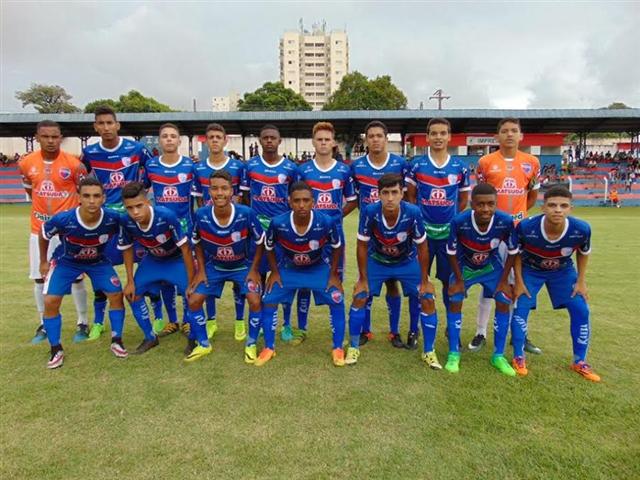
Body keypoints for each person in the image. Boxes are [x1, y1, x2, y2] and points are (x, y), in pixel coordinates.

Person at [345, 174, 440, 368]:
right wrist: (362, 278)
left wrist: (425, 279)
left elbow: (422, 247)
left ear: (402, 193)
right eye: (385, 193)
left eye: (394, 193)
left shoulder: (413, 212)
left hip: (406, 262)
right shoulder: (370, 212)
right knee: (360, 295)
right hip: (378, 261)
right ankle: (353, 347)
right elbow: (361, 245)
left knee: (427, 296)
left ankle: (429, 351)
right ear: (378, 194)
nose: (390, 198)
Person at [81, 106, 156, 340]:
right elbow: (84, 182)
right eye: (100, 123)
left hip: (133, 220)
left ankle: (159, 315)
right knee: (99, 268)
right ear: (95, 127)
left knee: (147, 266)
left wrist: (139, 195)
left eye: (109, 123)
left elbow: (152, 172)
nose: (105, 128)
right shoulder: (90, 153)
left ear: (117, 125)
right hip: (106, 222)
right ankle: (97, 321)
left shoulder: (137, 149)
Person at [510, 186, 599, 381]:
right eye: (552, 205)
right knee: (520, 306)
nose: (557, 210)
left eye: (563, 206)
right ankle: (518, 357)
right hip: (531, 269)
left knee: (581, 309)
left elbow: (583, 253)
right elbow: (515, 253)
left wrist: (581, 282)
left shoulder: (581, 229)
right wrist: (518, 281)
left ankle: (579, 361)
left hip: (562, 271)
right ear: (543, 207)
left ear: (570, 208)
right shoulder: (526, 227)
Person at [38, 177, 127, 369]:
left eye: (96, 196)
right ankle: (56, 348)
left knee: (116, 295)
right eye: (86, 196)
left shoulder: (113, 218)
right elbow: (44, 233)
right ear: (79, 197)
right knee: (50, 301)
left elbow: (132, 224)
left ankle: (117, 340)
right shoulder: (64, 219)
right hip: (67, 262)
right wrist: (43, 261)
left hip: (98, 262)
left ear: (104, 198)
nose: (92, 200)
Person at [471, 117, 542, 355]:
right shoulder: (485, 162)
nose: (509, 134)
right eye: (504, 131)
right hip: (492, 231)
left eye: (514, 131)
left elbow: (531, 195)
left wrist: (519, 216)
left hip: (519, 231)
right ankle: (481, 332)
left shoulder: (531, 162)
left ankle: (520, 333)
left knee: (518, 283)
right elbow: (480, 194)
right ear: (497, 136)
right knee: (490, 281)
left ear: (521, 135)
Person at [256, 181, 345, 367]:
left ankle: (337, 347)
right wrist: (274, 271)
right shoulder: (278, 223)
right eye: (297, 201)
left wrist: (334, 274)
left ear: (313, 202)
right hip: (290, 268)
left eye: (306, 200)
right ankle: (269, 347)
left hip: (317, 267)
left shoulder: (326, 221)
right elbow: (269, 247)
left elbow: (337, 247)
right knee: (269, 298)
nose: (302, 205)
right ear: (289, 202)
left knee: (337, 298)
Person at [18, 120, 89, 344]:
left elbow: (85, 192)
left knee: (76, 278)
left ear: (61, 137)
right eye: (46, 136)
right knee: (40, 278)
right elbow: (30, 189)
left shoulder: (75, 164)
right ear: (37, 137)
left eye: (55, 136)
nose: (50, 141)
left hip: (68, 232)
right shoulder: (26, 163)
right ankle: (44, 324)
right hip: (38, 229)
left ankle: (82, 321)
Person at [405, 118, 470, 349]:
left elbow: (463, 200)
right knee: (419, 282)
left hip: (447, 237)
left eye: (443, 133)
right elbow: (410, 197)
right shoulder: (417, 165)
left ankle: (451, 330)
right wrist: (419, 223)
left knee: (448, 283)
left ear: (449, 136)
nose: (439, 137)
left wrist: (451, 222)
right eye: (434, 133)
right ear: (428, 137)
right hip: (422, 237)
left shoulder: (460, 167)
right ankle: (415, 329)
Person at [187, 171, 265, 363]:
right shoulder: (201, 215)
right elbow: (196, 242)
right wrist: (201, 271)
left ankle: (251, 344)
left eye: (224, 188)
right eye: (214, 188)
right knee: (194, 300)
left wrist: (254, 269)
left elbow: (261, 241)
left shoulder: (246, 213)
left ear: (232, 191)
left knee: (255, 301)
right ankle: (204, 344)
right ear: (208, 192)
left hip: (242, 266)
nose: (219, 193)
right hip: (215, 267)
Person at [293, 122, 357, 345]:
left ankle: (335, 329)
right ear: (313, 142)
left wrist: (336, 217)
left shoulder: (343, 170)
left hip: (334, 237)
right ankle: (301, 329)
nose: (323, 143)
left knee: (335, 280)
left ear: (333, 143)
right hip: (306, 236)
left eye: (327, 139)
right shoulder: (303, 170)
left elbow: (352, 199)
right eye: (319, 139)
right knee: (303, 282)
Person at [445, 183, 518, 376]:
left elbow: (512, 252)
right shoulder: (459, 221)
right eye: (480, 204)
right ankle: (454, 353)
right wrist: (459, 281)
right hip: (465, 266)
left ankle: (498, 356)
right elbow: (451, 253)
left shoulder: (505, 221)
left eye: (490, 204)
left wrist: (503, 281)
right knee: (455, 300)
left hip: (490, 266)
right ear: (472, 204)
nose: (485, 209)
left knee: (503, 300)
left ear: (496, 204)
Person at [118, 182, 195, 354]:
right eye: (130, 208)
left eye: (139, 206)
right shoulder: (125, 220)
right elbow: (127, 249)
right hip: (153, 260)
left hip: (176, 260)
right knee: (132, 294)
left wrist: (191, 281)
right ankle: (150, 337)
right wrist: (129, 281)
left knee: (193, 295)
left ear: (148, 202)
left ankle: (193, 338)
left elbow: (185, 249)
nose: (135, 212)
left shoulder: (166, 216)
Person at [350, 120, 408, 348]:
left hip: (395, 232)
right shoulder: (357, 167)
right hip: (370, 233)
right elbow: (354, 198)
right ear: (366, 140)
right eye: (371, 136)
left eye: (379, 136)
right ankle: (366, 330)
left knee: (393, 282)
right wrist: (368, 217)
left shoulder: (400, 164)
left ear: (386, 139)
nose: (375, 139)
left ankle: (394, 332)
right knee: (366, 283)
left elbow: (407, 196)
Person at [240, 124, 298, 341]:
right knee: (260, 276)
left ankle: (286, 323)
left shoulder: (291, 168)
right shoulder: (251, 166)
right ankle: (265, 319)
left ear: (279, 140)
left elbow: (295, 198)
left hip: (282, 234)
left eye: (273, 137)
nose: (269, 141)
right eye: (265, 138)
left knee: (283, 276)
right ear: (260, 140)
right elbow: (246, 197)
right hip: (257, 234)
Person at [192, 123, 248, 340]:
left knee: (237, 279)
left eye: (218, 137)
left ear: (225, 141)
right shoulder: (198, 169)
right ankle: (211, 321)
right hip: (209, 229)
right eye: (211, 137)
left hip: (233, 229)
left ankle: (239, 322)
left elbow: (242, 198)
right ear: (206, 141)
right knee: (208, 278)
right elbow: (198, 199)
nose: (214, 140)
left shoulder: (237, 166)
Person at [142, 123, 197, 337]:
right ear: (160, 140)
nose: (169, 139)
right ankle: (172, 320)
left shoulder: (190, 167)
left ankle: (187, 320)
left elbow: (199, 197)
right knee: (165, 277)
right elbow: (142, 192)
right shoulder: (152, 166)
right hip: (160, 231)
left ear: (179, 141)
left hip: (185, 228)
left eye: (173, 136)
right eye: (165, 136)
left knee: (186, 274)